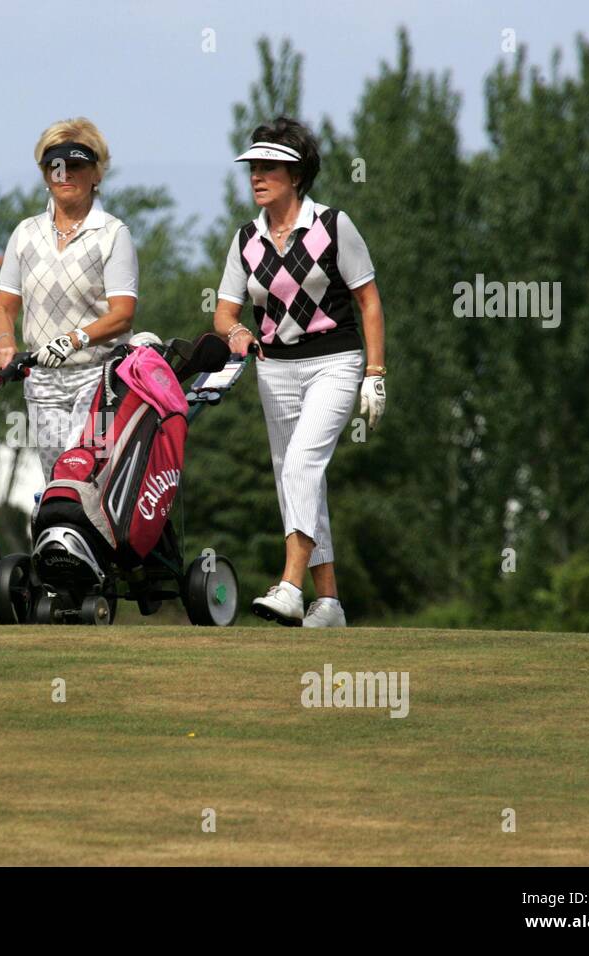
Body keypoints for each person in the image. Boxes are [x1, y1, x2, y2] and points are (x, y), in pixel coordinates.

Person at [212, 117, 387, 628]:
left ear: (296, 174)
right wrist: (236, 333)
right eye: (253, 167)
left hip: (335, 361)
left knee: (301, 467)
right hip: (275, 370)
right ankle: (328, 602)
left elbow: (368, 301)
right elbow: (225, 310)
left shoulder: (333, 225)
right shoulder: (246, 238)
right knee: (298, 481)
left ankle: (289, 587)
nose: (256, 176)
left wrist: (375, 372)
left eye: (269, 167)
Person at [0, 117, 139, 479]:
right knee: (57, 481)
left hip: (98, 377)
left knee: (85, 476)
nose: (64, 174)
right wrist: (4, 341)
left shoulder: (113, 234)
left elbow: (123, 315)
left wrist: (74, 339)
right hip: (41, 382)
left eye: (76, 165)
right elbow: (3, 306)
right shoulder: (25, 233)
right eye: (54, 165)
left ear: (97, 174)